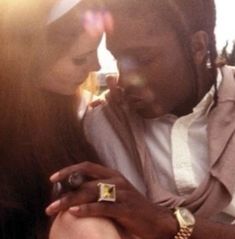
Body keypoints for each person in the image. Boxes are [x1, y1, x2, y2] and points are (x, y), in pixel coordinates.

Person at [46, 0, 235, 238]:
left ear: (197, 46)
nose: (125, 80)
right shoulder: (104, 126)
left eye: (143, 59)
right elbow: (103, 207)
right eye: (118, 60)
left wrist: (166, 222)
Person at [0, 0, 122, 238]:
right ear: (29, 59)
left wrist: (110, 193)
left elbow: (105, 196)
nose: (96, 66)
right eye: (80, 58)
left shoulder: (78, 114)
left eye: (97, 51)